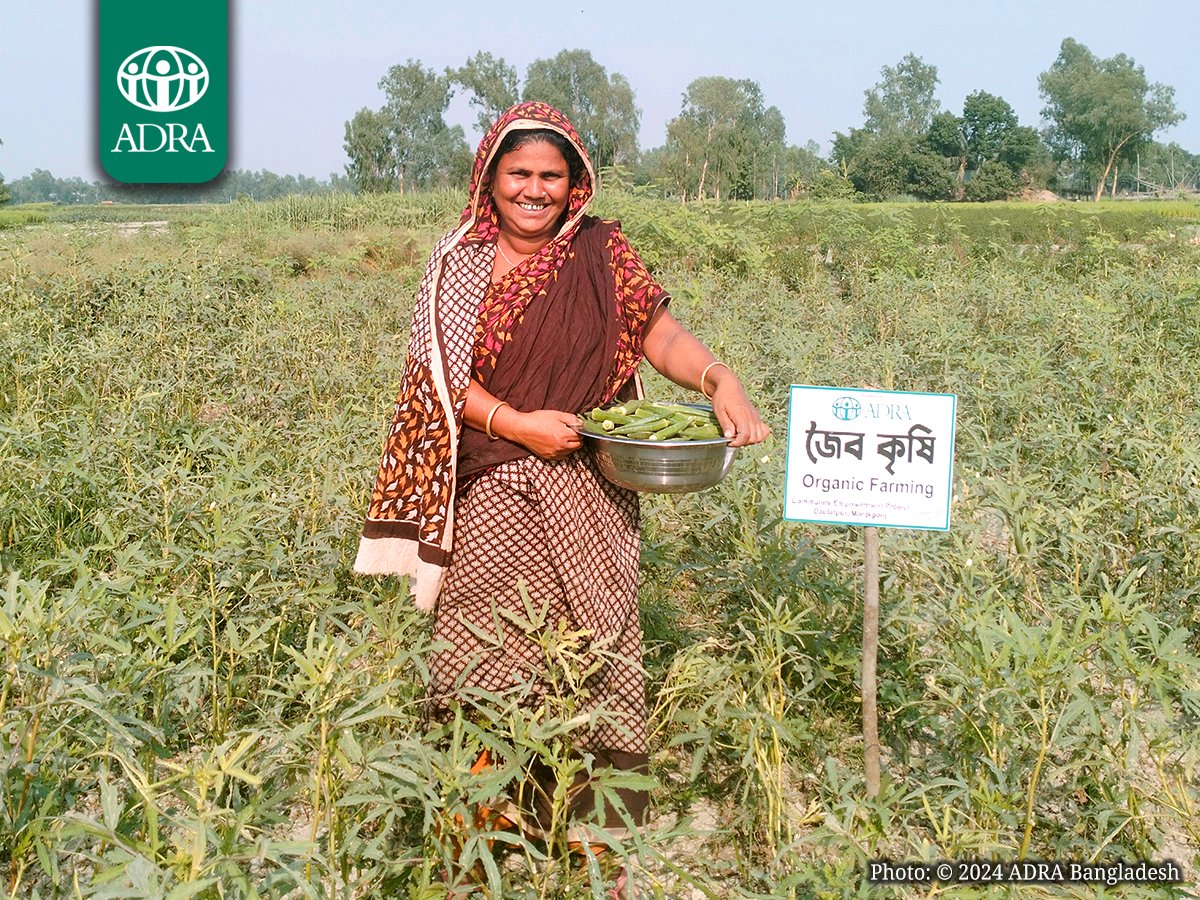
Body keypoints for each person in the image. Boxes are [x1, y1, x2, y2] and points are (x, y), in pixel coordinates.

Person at [354, 101, 768, 897]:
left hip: (589, 487)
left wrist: (722, 379)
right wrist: (517, 425)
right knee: (484, 649)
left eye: (552, 176)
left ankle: (590, 836)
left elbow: (660, 334)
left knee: (596, 644)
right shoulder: (458, 262)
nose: (535, 191)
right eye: (521, 175)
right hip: (492, 488)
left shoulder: (600, 251)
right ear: (491, 178)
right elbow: (435, 378)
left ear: (575, 184)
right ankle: (474, 822)